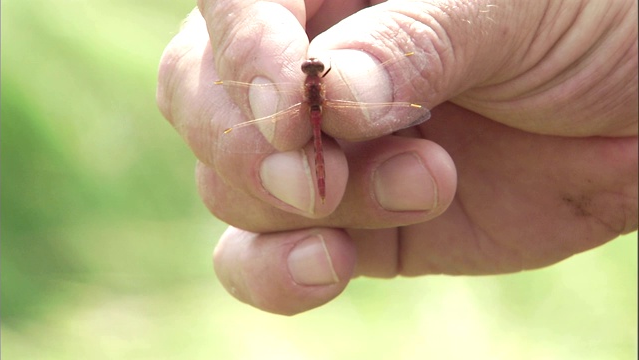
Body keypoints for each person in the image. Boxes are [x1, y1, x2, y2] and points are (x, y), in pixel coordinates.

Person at [156, 0, 638, 315]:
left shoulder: (325, 87)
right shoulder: (305, 93)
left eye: (315, 68)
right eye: (312, 69)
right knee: (278, 158)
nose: (313, 69)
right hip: (317, 128)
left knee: (298, 166)